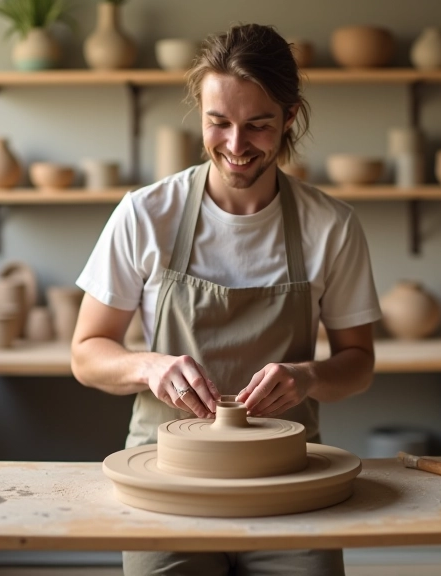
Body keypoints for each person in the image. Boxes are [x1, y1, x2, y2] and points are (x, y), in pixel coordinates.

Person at [72, 22, 381, 576]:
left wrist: (308, 378)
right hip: (167, 475)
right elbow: (87, 352)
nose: (236, 147)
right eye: (218, 123)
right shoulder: (146, 215)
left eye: (258, 125)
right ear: (200, 112)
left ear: (290, 117)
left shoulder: (331, 226)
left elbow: (359, 364)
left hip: (288, 477)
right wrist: (148, 367)